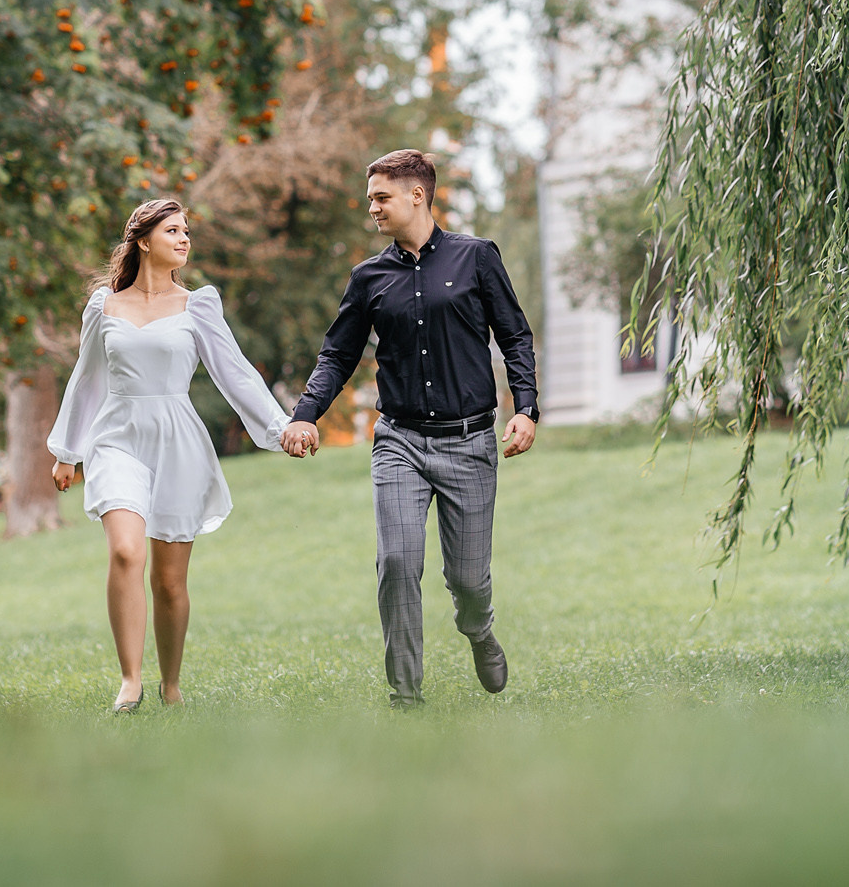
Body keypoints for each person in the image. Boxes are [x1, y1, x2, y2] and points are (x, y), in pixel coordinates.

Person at [281, 150, 540, 707]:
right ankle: (406, 696)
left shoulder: (477, 258)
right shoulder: (368, 277)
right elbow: (337, 354)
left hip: (470, 441)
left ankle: (479, 631)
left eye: (381, 196)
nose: (371, 206)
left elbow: (515, 336)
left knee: (468, 580)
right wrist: (305, 413)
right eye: (371, 197)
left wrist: (526, 407)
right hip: (399, 440)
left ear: (417, 195)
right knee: (397, 561)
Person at [47, 198, 288, 713]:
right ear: (142, 241)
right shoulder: (103, 306)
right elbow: (86, 378)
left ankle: (171, 685)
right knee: (126, 552)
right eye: (173, 231)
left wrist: (279, 427)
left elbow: (236, 374)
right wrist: (68, 450)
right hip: (116, 437)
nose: (184, 240)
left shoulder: (197, 305)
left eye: (186, 232)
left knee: (169, 582)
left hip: (178, 442)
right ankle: (130, 681)